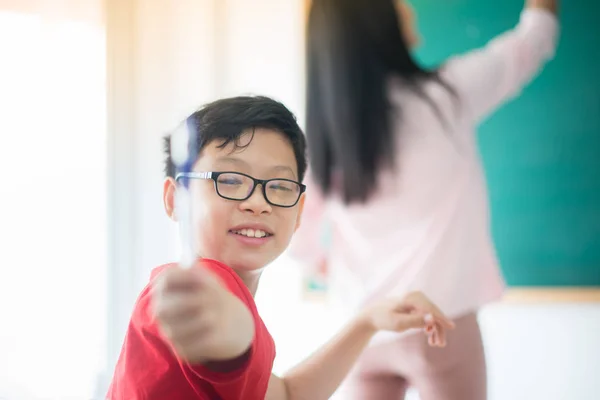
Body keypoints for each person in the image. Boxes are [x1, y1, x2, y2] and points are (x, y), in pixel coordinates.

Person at [290, 0, 560, 399]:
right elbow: (532, 40)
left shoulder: (320, 134)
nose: (408, 7)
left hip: (361, 328)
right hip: (440, 323)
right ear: (378, 21)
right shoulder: (446, 97)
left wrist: (326, 268)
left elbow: (297, 236)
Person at [106, 96, 454, 400]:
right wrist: (227, 324)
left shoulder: (237, 304)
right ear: (174, 199)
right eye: (229, 180)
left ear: (300, 211)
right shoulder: (205, 288)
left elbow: (287, 395)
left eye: (279, 185)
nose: (258, 202)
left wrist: (367, 322)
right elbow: (223, 328)